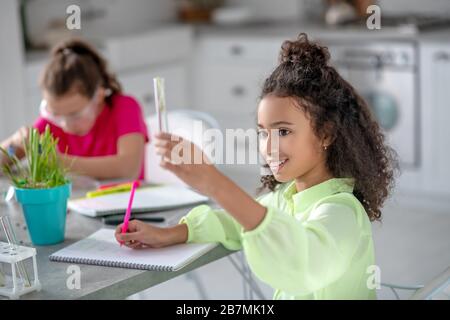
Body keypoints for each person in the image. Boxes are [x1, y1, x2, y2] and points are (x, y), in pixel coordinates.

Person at [115, 33, 398, 299]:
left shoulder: (341, 212)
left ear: (326, 134)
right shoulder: (286, 198)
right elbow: (237, 221)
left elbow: (301, 266)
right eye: (264, 132)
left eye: (284, 131)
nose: (269, 147)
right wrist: (167, 234)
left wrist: (214, 182)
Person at [0, 38, 149, 180]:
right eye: (55, 114)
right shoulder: (50, 124)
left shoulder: (124, 108)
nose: (65, 125)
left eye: (75, 115)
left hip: (130, 204)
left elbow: (129, 169)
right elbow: (7, 158)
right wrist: (13, 144)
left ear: (99, 95)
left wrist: (59, 162)